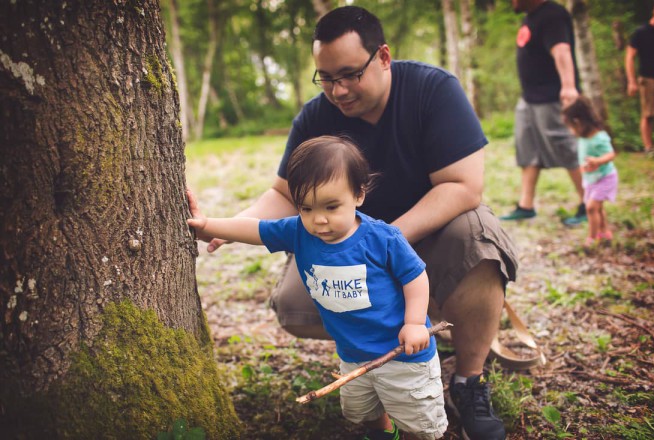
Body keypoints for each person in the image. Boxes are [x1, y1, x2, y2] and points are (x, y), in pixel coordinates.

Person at [192, 6, 517, 439]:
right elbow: (283, 194)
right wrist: (227, 227)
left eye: (349, 74)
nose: (338, 90)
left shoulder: (433, 90)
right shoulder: (314, 116)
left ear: (383, 56)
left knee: (478, 237)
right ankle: (400, 336)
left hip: (429, 236)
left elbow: (463, 186)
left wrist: (382, 241)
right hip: (349, 243)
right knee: (293, 307)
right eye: (326, 78)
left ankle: (468, 377)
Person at [188, 136, 448, 440]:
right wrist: (207, 226)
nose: (319, 219)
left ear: (359, 194)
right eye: (306, 208)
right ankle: (381, 433)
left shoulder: (382, 239)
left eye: (331, 206)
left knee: (418, 417)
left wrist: (415, 322)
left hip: (403, 352)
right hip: (353, 352)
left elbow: (415, 276)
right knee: (365, 409)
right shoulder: (298, 231)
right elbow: (255, 229)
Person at [500, 0, 587, 226]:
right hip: (530, 97)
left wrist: (568, 86)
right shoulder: (531, 17)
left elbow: (562, 51)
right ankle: (526, 205)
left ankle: (589, 202)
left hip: (551, 97)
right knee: (528, 149)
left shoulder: (553, 15)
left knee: (565, 147)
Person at [562, 97, 618, 246]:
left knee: (591, 208)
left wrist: (597, 161)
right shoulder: (583, 138)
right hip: (591, 178)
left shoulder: (599, 137)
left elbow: (611, 154)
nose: (571, 131)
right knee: (598, 209)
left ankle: (592, 239)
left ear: (579, 122)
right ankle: (605, 233)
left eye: (572, 126)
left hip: (605, 178)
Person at [625, 2, 654, 156]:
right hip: (647, 78)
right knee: (648, 113)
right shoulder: (641, 32)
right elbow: (630, 57)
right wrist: (631, 81)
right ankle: (648, 147)